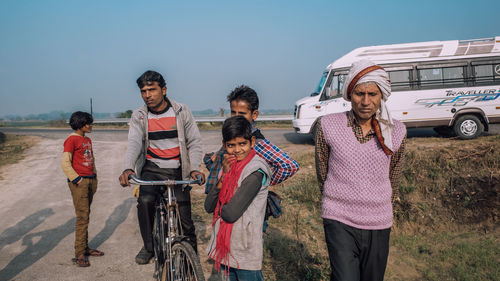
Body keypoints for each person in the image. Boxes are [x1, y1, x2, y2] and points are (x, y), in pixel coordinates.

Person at [315, 59, 407, 281]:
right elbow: (322, 171)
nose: (365, 101)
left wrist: (378, 201)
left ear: (381, 96)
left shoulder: (396, 131)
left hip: (379, 220)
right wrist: (336, 200)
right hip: (339, 218)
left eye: (372, 94)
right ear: (349, 95)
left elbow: (394, 174)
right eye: (359, 94)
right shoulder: (327, 125)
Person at [118, 70, 206, 264]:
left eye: (152, 89)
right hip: (152, 168)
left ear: (164, 90)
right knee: (146, 201)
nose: (147, 95)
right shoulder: (139, 115)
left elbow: (194, 142)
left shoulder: (181, 111)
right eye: (143, 91)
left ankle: (191, 265)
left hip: (178, 169)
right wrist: (128, 167)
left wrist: (195, 168)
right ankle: (149, 247)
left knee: (186, 222)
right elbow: (134, 142)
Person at [204, 85, 299, 230]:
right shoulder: (234, 136)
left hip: (246, 210)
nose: (236, 117)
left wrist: (262, 182)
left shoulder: (257, 143)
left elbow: (289, 166)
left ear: (254, 115)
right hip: (226, 204)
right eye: (233, 112)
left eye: (242, 114)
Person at [205, 116, 271, 281]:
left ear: (252, 141)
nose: (237, 150)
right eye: (231, 145)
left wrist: (220, 206)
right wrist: (223, 177)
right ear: (224, 144)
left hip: (245, 247)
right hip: (228, 247)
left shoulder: (256, 170)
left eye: (242, 144)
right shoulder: (228, 166)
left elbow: (230, 213)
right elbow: (208, 206)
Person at [61, 111, 104, 267]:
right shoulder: (71, 140)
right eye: (89, 123)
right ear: (81, 124)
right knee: (82, 216)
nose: (91, 125)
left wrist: (95, 178)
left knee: (86, 214)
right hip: (79, 182)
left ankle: (85, 247)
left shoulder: (87, 140)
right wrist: (77, 179)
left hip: (90, 181)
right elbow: (65, 163)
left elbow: (92, 161)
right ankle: (79, 253)